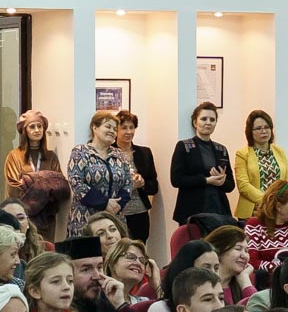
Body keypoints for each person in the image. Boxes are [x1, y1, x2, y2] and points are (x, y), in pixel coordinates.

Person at [65, 111, 133, 239]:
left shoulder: (119, 154)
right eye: (108, 126)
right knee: (88, 258)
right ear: (94, 128)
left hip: (114, 218)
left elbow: (128, 183)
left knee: (115, 256)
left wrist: (116, 205)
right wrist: (104, 203)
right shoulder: (80, 152)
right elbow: (76, 182)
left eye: (114, 129)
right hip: (85, 219)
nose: (112, 131)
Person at [169, 102, 235, 226]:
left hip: (219, 211)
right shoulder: (184, 146)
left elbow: (230, 186)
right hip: (191, 211)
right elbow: (176, 180)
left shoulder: (221, 149)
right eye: (204, 119)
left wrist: (222, 181)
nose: (208, 122)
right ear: (195, 123)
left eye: (212, 119)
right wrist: (206, 180)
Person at [67, 234, 139, 312]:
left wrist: (121, 306)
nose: (97, 276)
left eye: (100, 267)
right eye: (86, 269)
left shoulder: (109, 304)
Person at [232, 109, 288, 221]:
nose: (264, 131)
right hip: (253, 211)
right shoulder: (242, 154)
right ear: (250, 132)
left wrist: (279, 201)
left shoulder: (280, 151)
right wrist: (268, 200)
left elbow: (286, 180)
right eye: (258, 128)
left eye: (267, 127)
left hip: (278, 210)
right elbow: (243, 185)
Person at [115, 110, 161, 242]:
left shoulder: (144, 152)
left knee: (139, 247)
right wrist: (128, 186)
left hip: (140, 211)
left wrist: (143, 182)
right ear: (116, 130)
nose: (129, 131)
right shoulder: (108, 152)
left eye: (132, 127)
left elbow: (154, 186)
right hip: (117, 211)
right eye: (124, 127)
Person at [202, 225, 258, 305]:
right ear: (219, 250)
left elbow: (259, 311)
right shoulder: (202, 284)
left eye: (246, 251)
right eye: (238, 249)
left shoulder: (241, 284)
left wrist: (244, 279)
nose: (244, 256)